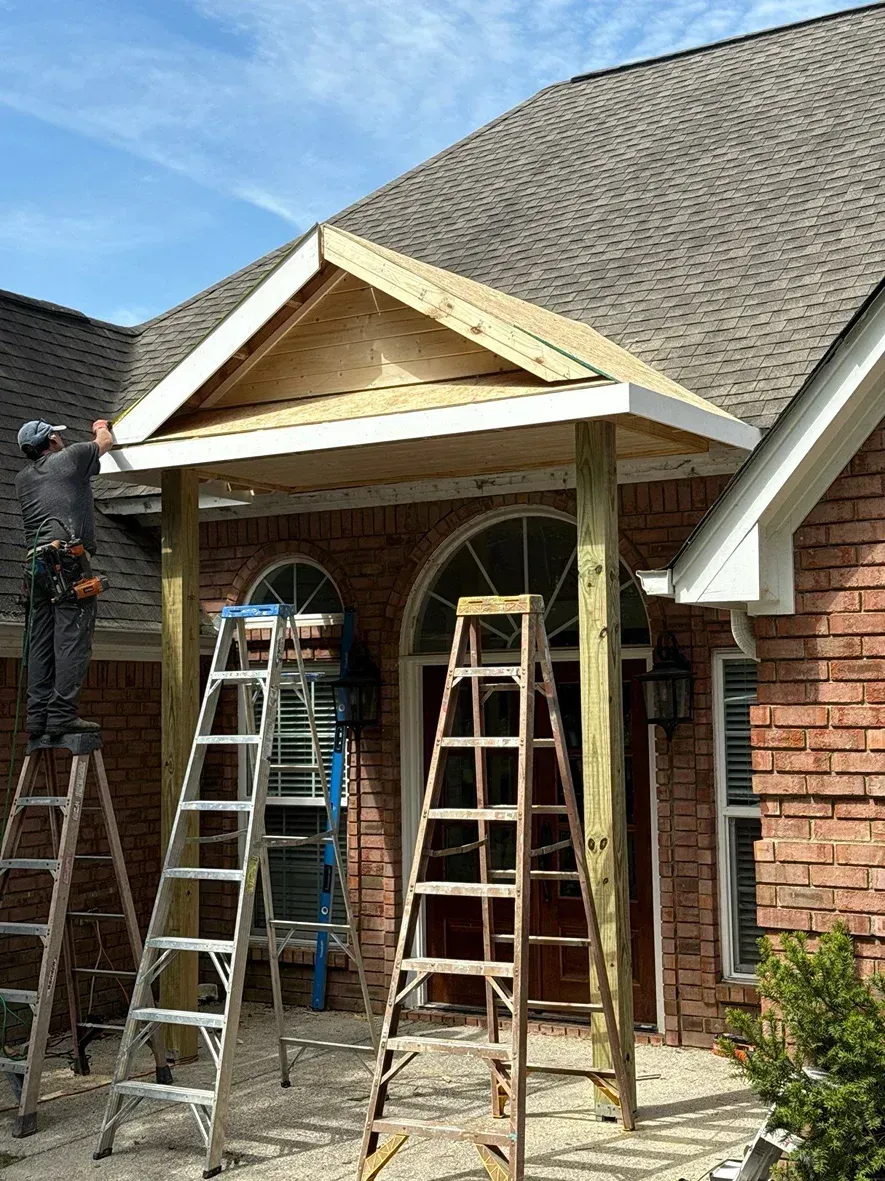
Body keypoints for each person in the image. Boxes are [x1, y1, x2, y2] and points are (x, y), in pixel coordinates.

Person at [15, 419, 114, 740]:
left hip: (35, 567)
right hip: (66, 563)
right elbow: (105, 442)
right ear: (53, 440)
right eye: (57, 434)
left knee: (40, 642)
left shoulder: (23, 478)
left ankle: (37, 716)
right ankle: (61, 715)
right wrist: (101, 425)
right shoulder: (71, 458)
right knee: (72, 638)